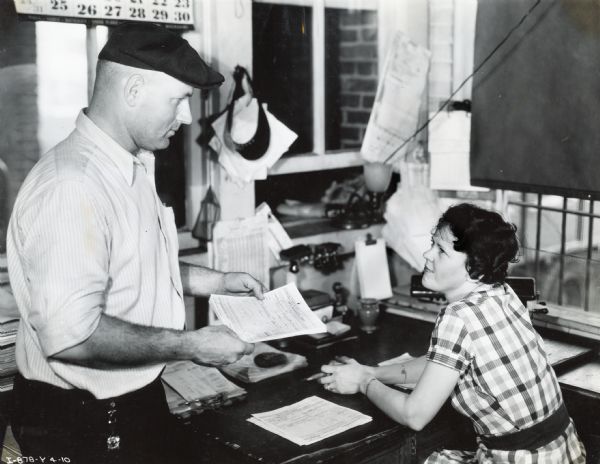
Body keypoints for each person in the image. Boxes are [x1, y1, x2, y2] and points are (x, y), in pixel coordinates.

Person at [6, 23, 266, 464]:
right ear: (133, 90)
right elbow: (73, 337)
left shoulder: (130, 167)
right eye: (179, 99)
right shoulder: (73, 187)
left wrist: (218, 280)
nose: (186, 117)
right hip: (81, 426)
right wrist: (193, 344)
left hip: (132, 405)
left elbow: (134, 269)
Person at [318, 203, 586, 463]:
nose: (427, 255)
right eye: (433, 244)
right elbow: (443, 363)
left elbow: (415, 415)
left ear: (475, 268)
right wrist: (374, 372)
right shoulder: (502, 292)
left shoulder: (457, 317)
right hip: (562, 451)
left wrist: (364, 383)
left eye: (441, 251)